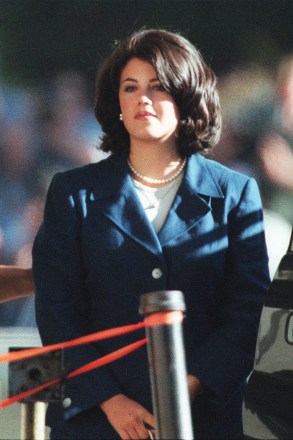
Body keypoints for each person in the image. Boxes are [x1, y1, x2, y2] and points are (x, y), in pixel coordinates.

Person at [32, 29, 270, 440]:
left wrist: (185, 391)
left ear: (186, 96)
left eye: (158, 87)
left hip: (204, 421)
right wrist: (110, 402)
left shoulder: (235, 193)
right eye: (131, 87)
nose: (143, 98)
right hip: (96, 422)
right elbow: (57, 312)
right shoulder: (73, 193)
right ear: (116, 102)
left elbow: (247, 312)